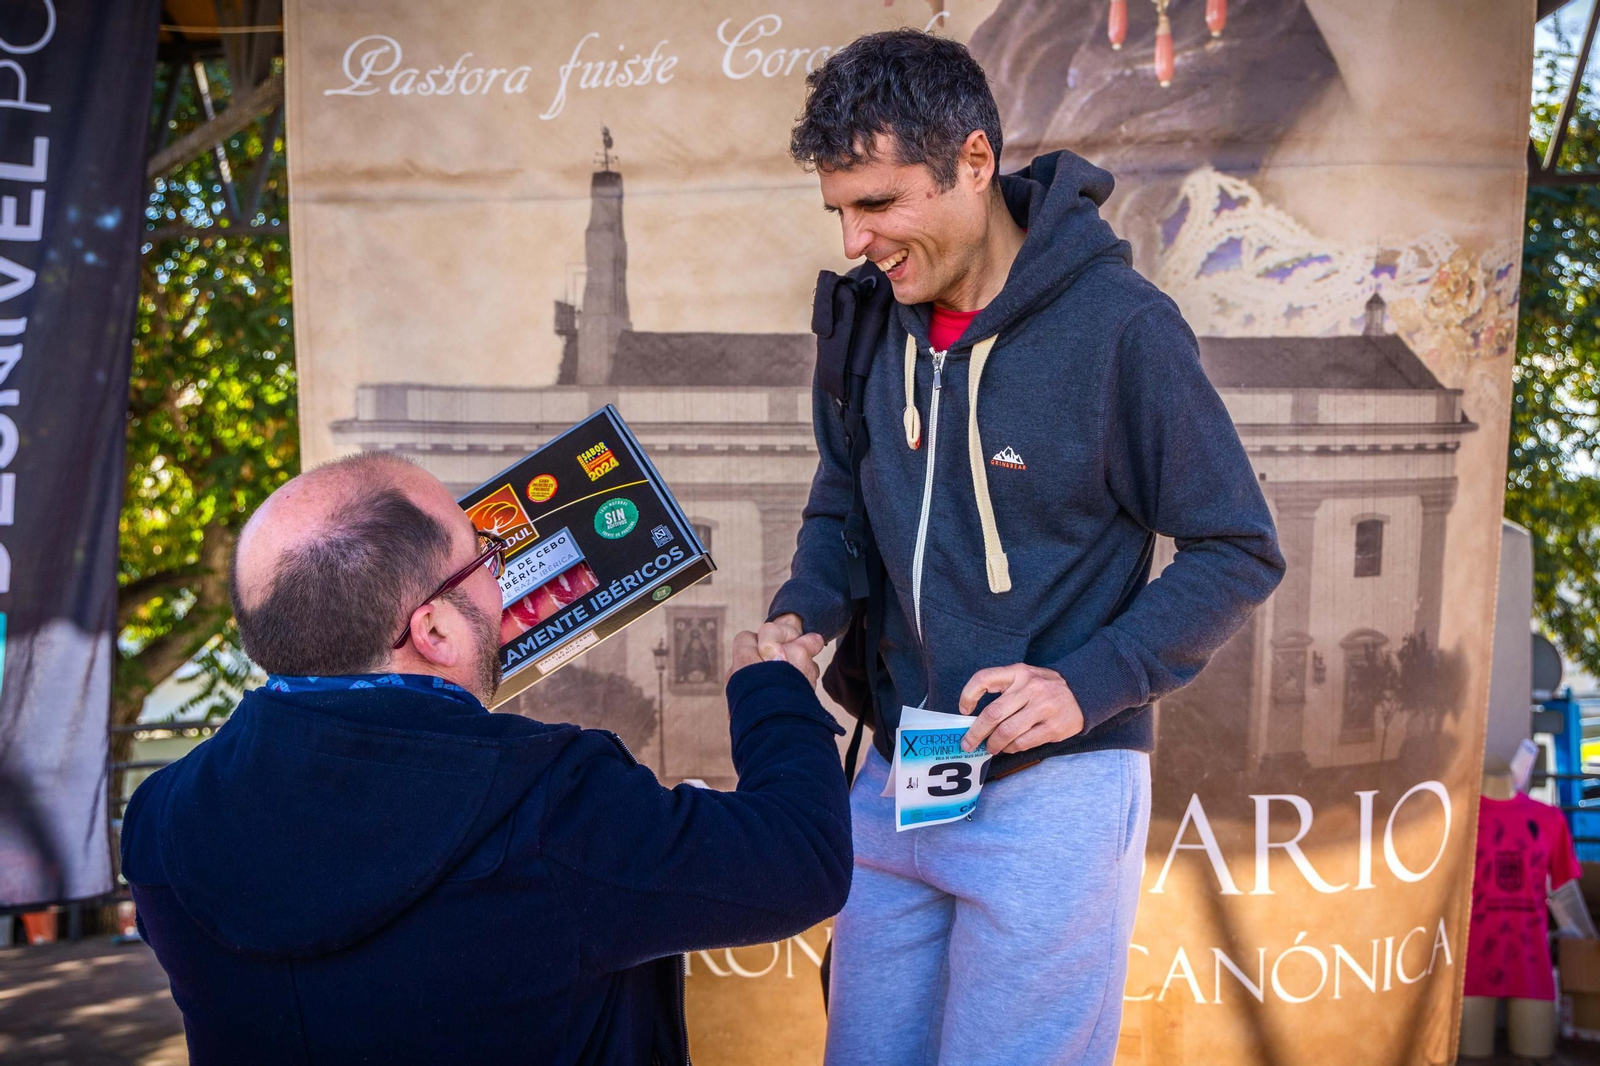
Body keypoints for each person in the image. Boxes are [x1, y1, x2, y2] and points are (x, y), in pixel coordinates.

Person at [762, 29, 1285, 1066]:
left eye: (879, 204)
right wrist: (802, 612)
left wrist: (1089, 683)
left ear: (972, 161)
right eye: (839, 211)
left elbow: (1238, 546)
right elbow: (845, 499)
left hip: (1057, 786)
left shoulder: (1120, 328)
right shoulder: (865, 325)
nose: (856, 241)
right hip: (898, 777)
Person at [121, 451, 851, 1066]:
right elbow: (801, 859)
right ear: (432, 627)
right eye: (486, 557)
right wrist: (773, 694)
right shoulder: (549, 801)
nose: (501, 580)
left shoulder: (161, 818)